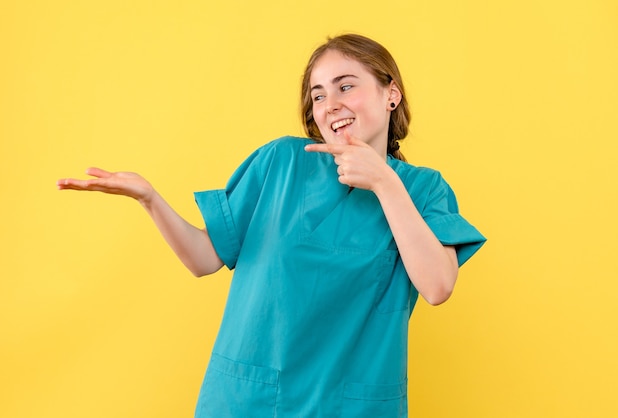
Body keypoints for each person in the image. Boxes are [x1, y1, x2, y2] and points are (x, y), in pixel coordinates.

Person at [58, 34, 486, 418]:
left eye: (346, 85)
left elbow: (437, 287)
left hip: (351, 406)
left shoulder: (424, 190)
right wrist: (150, 199)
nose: (330, 103)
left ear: (390, 94)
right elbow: (205, 258)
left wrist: (384, 182)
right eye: (318, 95)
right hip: (248, 401)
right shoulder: (281, 162)